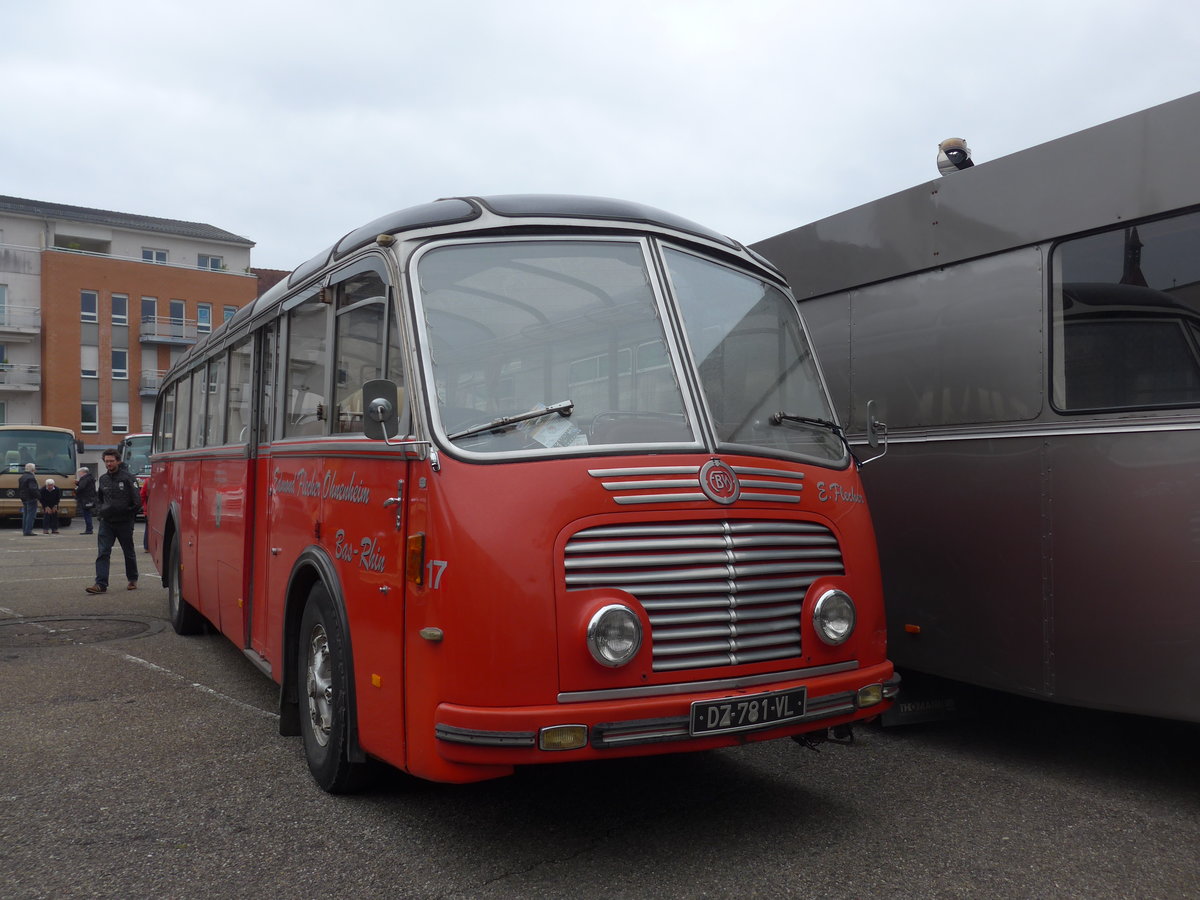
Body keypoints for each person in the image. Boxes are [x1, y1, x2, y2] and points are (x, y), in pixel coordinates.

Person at [86, 449, 142, 594]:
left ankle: (132, 579)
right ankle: (100, 584)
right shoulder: (103, 479)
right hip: (107, 522)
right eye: (106, 461)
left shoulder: (128, 478)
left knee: (128, 552)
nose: (109, 464)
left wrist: (128, 514)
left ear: (118, 461)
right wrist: (100, 512)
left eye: (111, 461)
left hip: (124, 522)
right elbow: (99, 498)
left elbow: (137, 501)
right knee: (103, 552)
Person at [18, 462, 39, 537]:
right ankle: (28, 531)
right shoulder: (31, 478)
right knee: (31, 515)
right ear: (33, 470)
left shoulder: (22, 477)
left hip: (24, 497)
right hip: (31, 497)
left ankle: (25, 530)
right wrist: (38, 496)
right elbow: (32, 489)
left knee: (26, 514)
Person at [76, 466, 97, 534]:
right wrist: (78, 483)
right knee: (88, 513)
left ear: (83, 472)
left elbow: (82, 487)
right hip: (90, 498)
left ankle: (89, 529)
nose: (79, 474)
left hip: (85, 499)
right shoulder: (90, 478)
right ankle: (89, 529)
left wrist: (76, 490)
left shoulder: (84, 478)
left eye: (79, 473)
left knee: (87, 514)